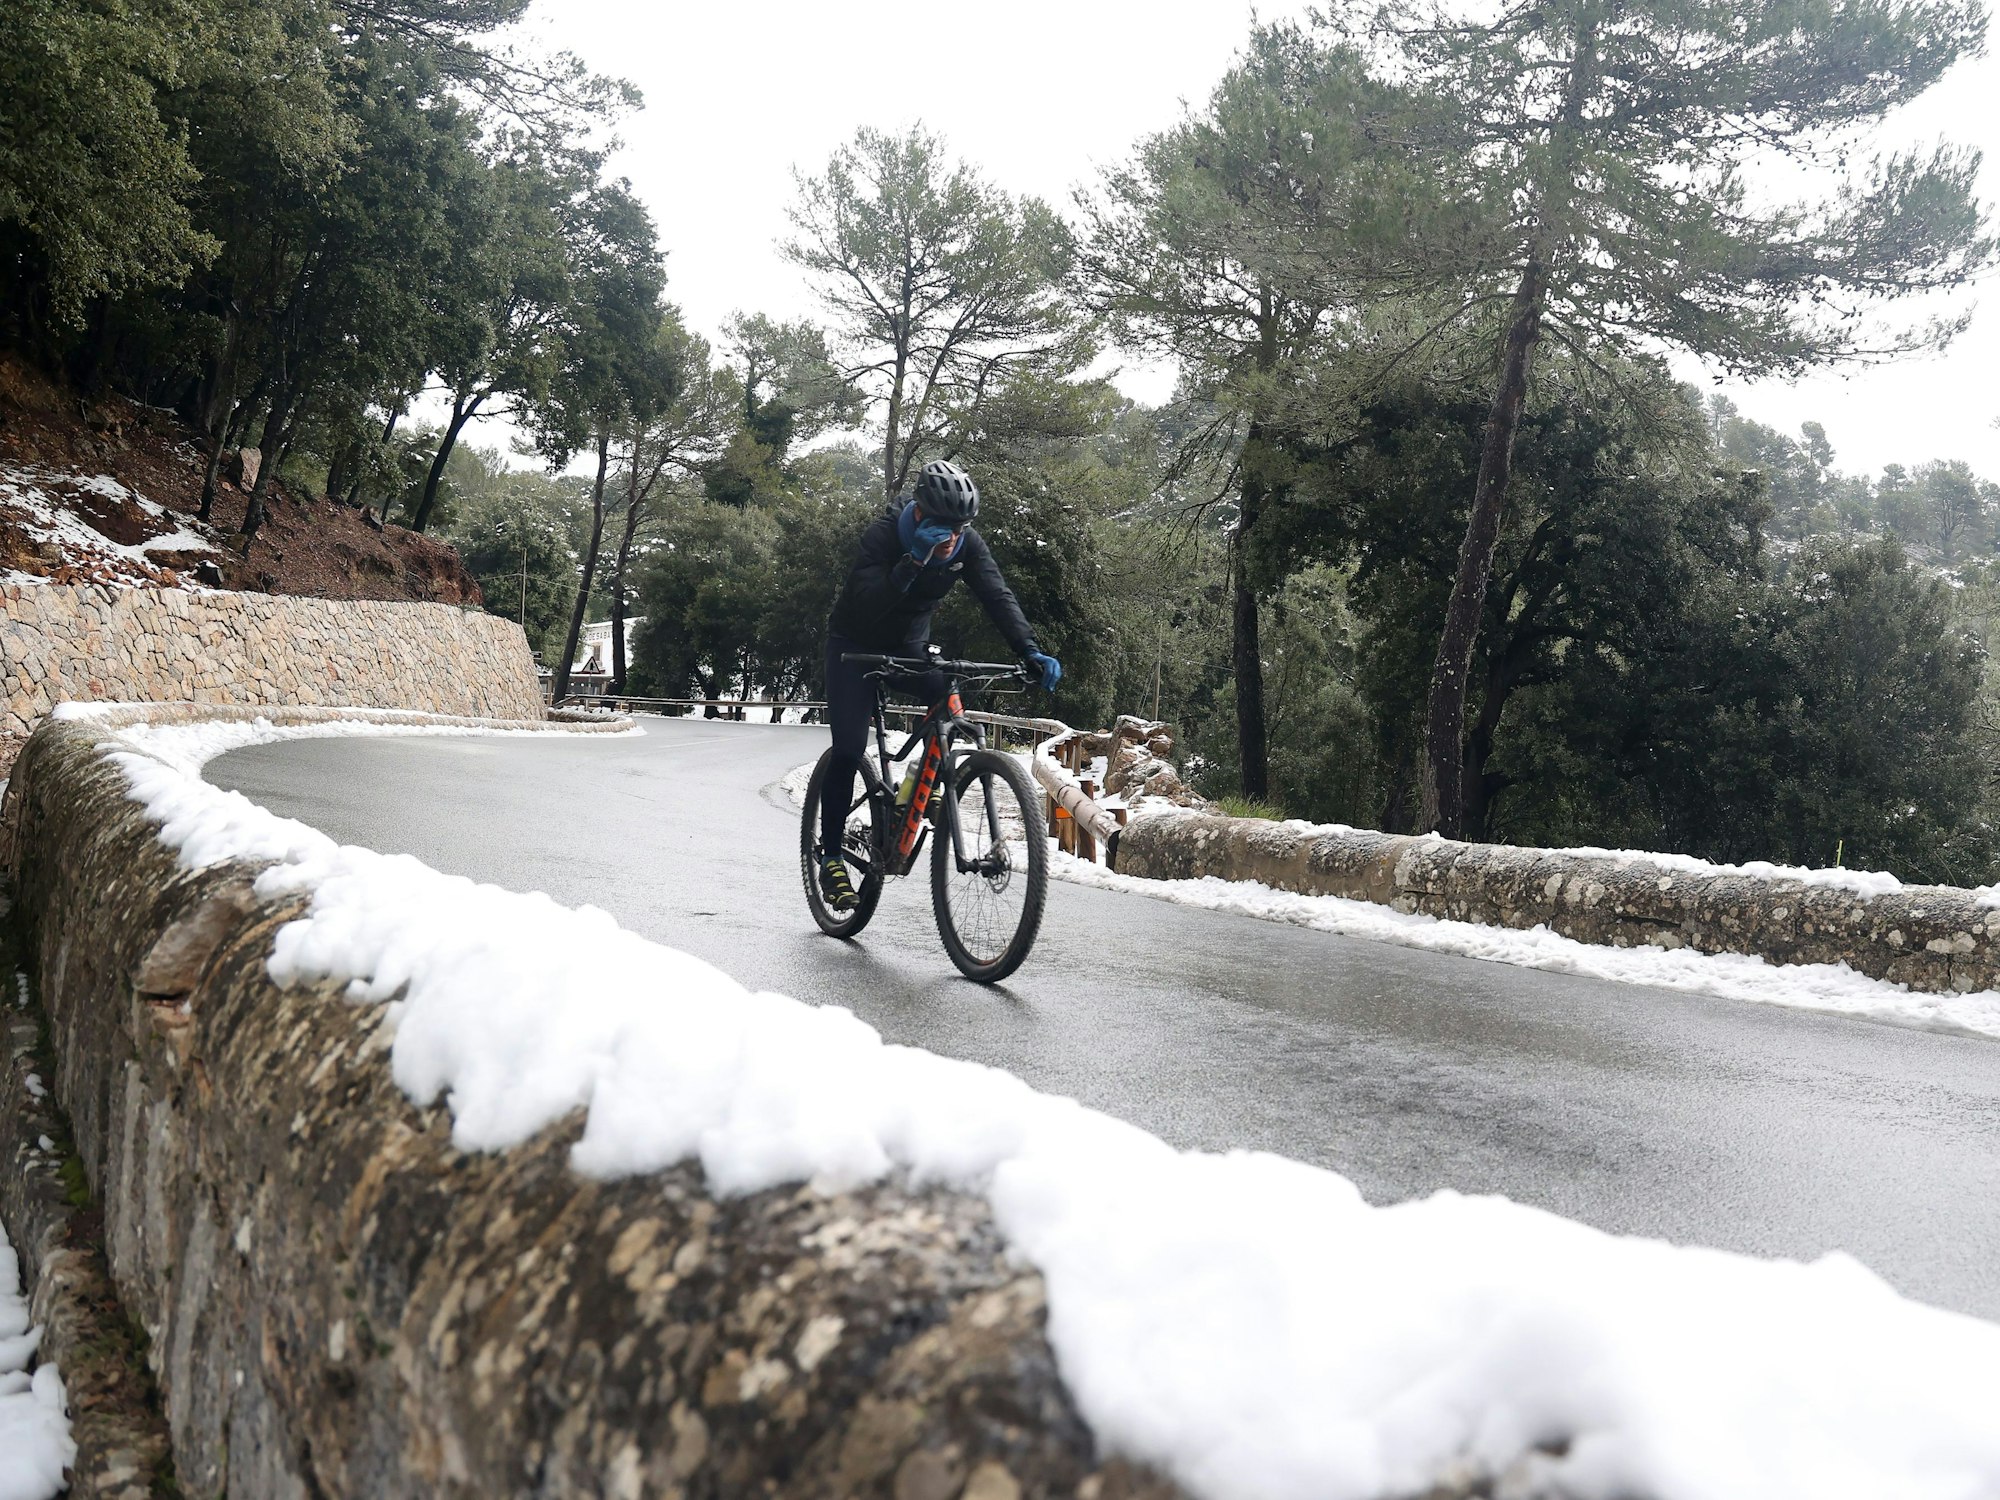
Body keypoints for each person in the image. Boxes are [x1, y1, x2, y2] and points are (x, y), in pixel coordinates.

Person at [817, 459, 1061, 910]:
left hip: (909, 647)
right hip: (854, 647)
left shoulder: (967, 544)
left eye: (960, 527)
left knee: (947, 696)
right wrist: (912, 562)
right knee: (848, 751)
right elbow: (865, 604)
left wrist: (1029, 649)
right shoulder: (884, 535)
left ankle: (913, 796)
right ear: (919, 513)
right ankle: (831, 857)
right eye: (943, 525)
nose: (952, 536)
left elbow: (997, 595)